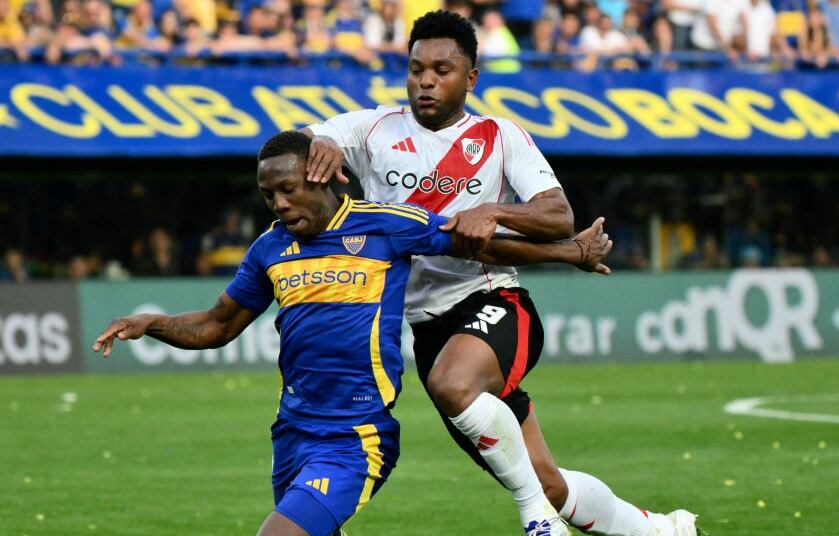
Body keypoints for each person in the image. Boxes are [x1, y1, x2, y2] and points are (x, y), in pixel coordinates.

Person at [92, 130, 614, 536]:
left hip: (354, 439)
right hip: (292, 435)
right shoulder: (269, 250)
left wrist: (571, 253)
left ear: (320, 178)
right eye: (268, 194)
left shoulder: (384, 225)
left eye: (288, 190)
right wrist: (152, 323)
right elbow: (218, 324)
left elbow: (478, 244)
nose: (277, 204)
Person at [301, 10, 699, 536]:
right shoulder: (372, 129)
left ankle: (538, 523)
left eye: (442, 70)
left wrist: (497, 211)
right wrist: (315, 141)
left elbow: (557, 214)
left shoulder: (498, 136)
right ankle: (662, 531)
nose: (425, 79)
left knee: (453, 384)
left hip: (494, 303)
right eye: (417, 68)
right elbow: (293, 142)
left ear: (470, 79)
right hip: (428, 328)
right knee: (547, 482)